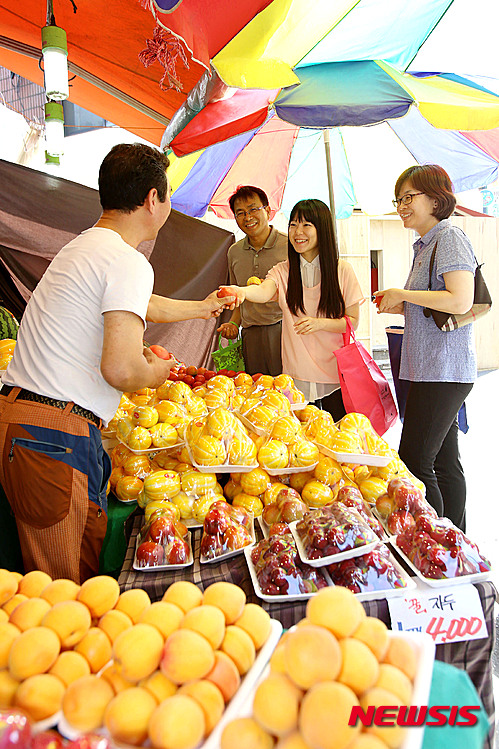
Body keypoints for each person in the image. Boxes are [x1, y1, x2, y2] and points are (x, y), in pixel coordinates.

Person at [0, 143, 233, 583]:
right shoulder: (127, 260)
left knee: (81, 582)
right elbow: (123, 371)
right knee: (60, 593)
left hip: (38, 428)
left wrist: (200, 309)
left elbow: (138, 304)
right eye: (168, 197)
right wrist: (158, 371)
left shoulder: (87, 248)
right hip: (53, 436)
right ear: (151, 199)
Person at [374, 164, 476, 531]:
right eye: (398, 199)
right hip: (431, 368)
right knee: (445, 462)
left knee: (415, 460)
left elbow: (460, 299)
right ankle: (457, 541)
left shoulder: (449, 238)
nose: (401, 205)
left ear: (436, 198)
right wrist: (399, 301)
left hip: (443, 369)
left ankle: (433, 540)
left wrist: (403, 294)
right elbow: (434, 301)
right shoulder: (426, 243)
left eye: (408, 197)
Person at [220, 198, 364, 420]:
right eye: (293, 224)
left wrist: (320, 323)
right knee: (301, 442)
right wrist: (242, 292)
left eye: (307, 225)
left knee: (337, 442)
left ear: (322, 229)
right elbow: (264, 291)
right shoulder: (282, 271)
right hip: (296, 376)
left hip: (336, 374)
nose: (298, 232)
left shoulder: (342, 270)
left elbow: (352, 320)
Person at [217, 186, 288, 376]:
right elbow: (239, 298)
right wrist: (233, 323)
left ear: (267, 211)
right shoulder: (234, 251)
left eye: (253, 209)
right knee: (256, 392)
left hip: (284, 330)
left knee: (288, 392)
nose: (248, 217)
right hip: (251, 334)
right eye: (240, 213)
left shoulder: (289, 246)